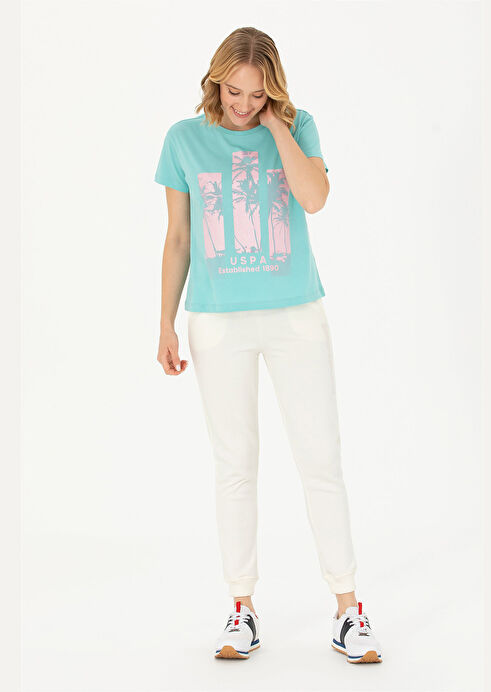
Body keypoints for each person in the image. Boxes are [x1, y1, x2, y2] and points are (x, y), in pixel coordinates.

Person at [154, 26, 383, 664]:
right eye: (234, 91)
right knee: (235, 463)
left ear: (273, 90)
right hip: (217, 321)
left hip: (295, 315)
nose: (243, 105)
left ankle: (348, 608)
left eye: (257, 93)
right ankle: (242, 609)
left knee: (320, 457)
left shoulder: (298, 125)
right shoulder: (183, 139)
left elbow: (314, 198)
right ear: (215, 81)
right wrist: (165, 322)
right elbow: (178, 238)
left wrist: (277, 124)